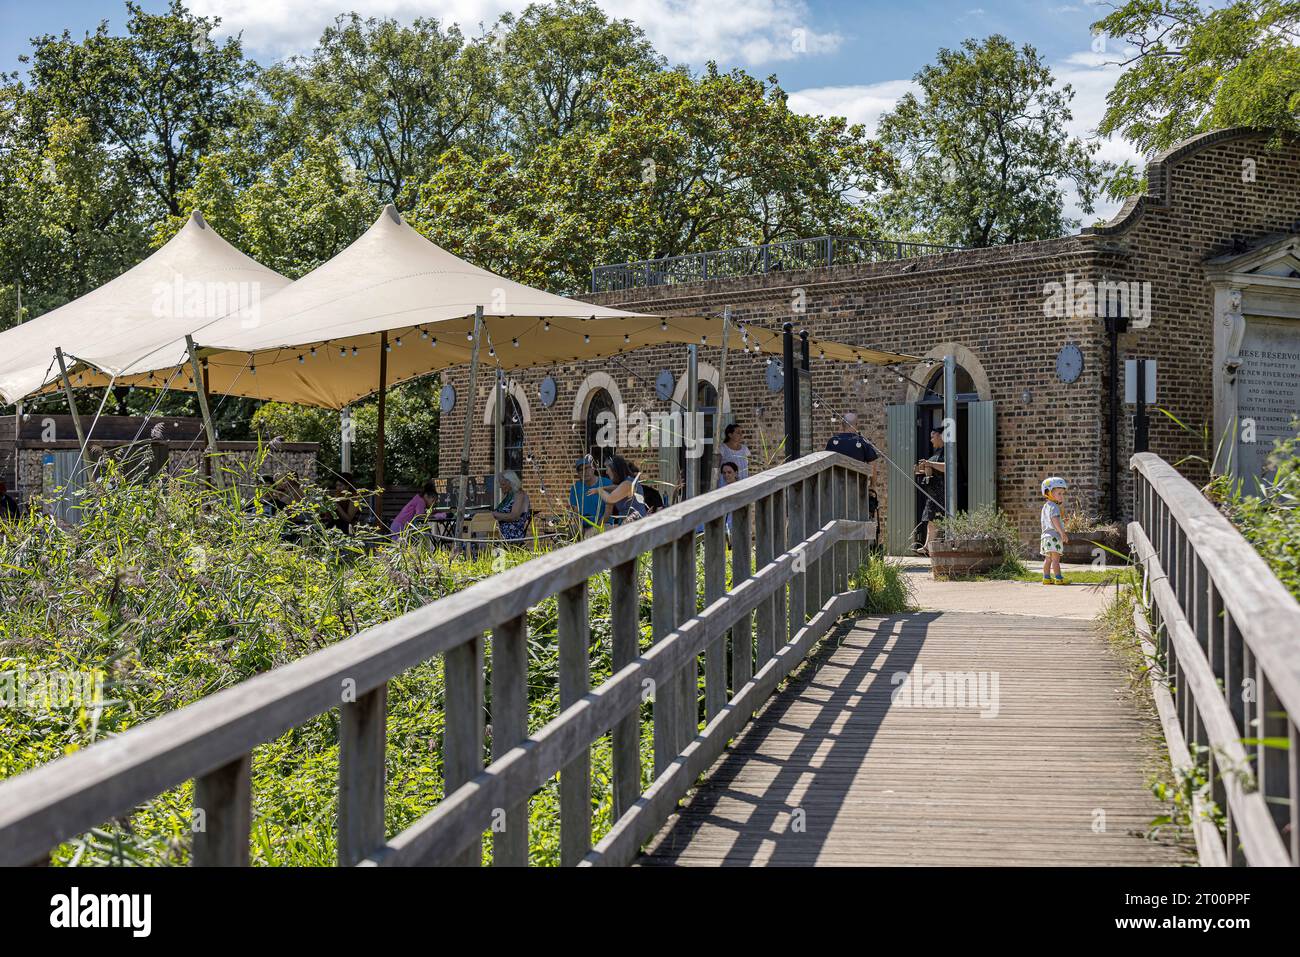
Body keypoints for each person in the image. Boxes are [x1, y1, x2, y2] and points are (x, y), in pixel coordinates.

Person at [914, 427, 946, 555]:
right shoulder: (936, 453)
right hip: (932, 492)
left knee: (935, 520)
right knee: (930, 520)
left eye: (933, 436)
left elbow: (948, 467)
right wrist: (920, 469)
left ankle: (931, 547)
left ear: (939, 436)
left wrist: (930, 464)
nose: (931, 439)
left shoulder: (947, 451)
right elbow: (931, 471)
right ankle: (928, 547)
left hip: (942, 491)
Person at [826, 412, 879, 488]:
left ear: (842, 425)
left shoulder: (832, 442)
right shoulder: (862, 442)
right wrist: (872, 486)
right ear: (856, 425)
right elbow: (873, 466)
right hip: (858, 489)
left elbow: (826, 464)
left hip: (836, 489)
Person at [590, 454, 647, 524]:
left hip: (635, 525)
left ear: (614, 470)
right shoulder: (627, 482)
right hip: (628, 523)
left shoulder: (628, 484)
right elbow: (617, 488)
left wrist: (599, 490)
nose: (606, 472)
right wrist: (603, 488)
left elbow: (610, 499)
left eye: (607, 469)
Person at [568, 455, 610, 534]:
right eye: (581, 470)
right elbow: (576, 513)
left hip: (604, 524)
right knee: (570, 531)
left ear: (593, 468)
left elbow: (608, 511)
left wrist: (595, 529)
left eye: (587, 468)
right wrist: (581, 529)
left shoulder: (606, 483)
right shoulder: (576, 487)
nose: (584, 472)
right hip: (583, 526)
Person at [1040, 476, 1070, 585]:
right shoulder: (1054, 507)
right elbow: (1054, 520)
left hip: (1045, 537)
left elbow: (1050, 521)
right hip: (1054, 536)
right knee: (1056, 559)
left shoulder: (1046, 506)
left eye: (1063, 494)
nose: (1062, 497)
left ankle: (1046, 577)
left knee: (1048, 559)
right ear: (1048, 493)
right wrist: (1062, 533)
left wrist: (1064, 522)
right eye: (1059, 494)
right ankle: (1058, 578)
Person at [492, 470, 533, 542]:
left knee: (479, 540)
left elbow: (514, 516)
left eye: (503, 484)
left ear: (511, 483)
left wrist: (495, 515)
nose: (500, 487)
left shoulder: (519, 495)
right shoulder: (509, 496)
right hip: (501, 533)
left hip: (512, 535)